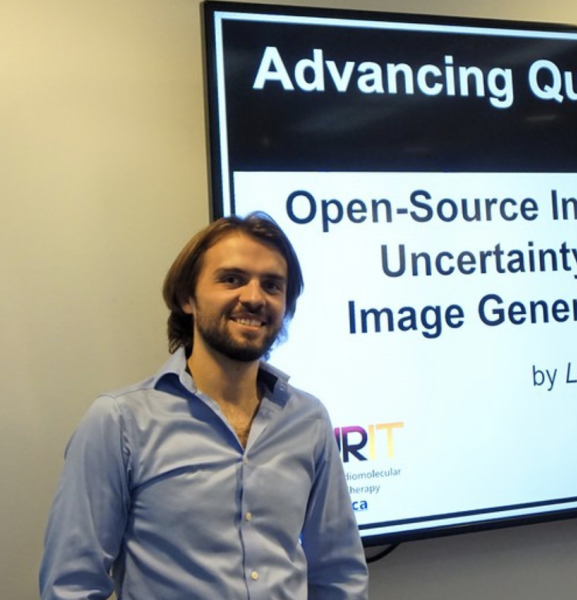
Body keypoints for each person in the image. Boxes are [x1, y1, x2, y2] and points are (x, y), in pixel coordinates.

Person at [39, 212, 369, 600]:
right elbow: (71, 586)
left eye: (272, 285)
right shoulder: (120, 422)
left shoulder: (308, 419)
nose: (254, 297)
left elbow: (339, 574)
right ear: (187, 299)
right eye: (232, 279)